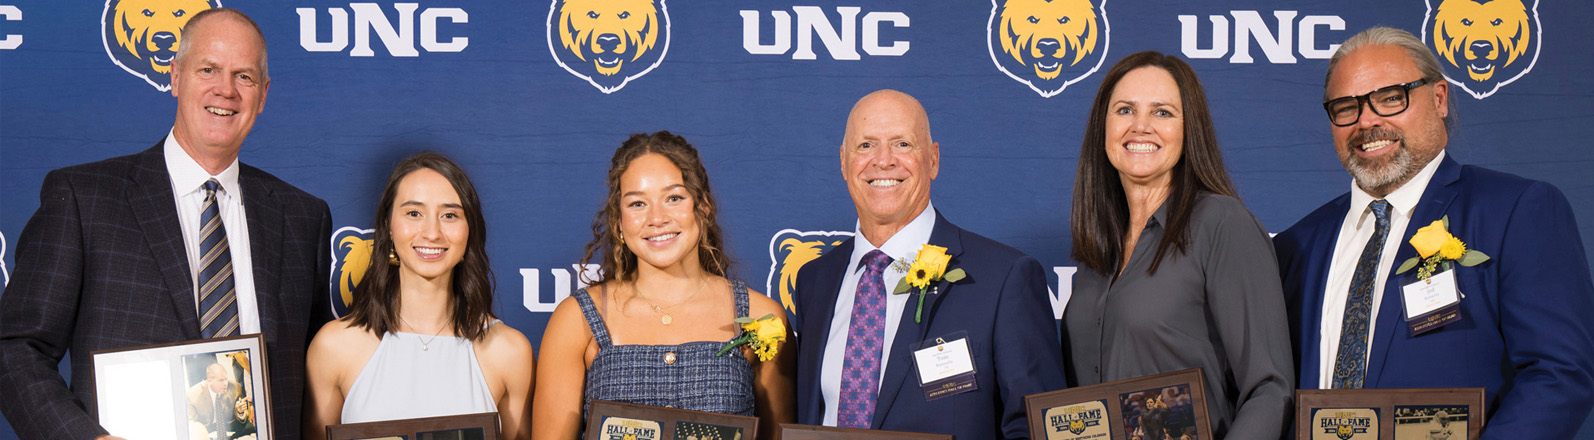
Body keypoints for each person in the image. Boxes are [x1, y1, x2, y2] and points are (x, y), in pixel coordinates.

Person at [0, 8, 331, 440]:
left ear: (263, 94)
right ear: (175, 77)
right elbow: (16, 349)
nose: (225, 90)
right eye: (208, 69)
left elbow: (320, 371)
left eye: (244, 76)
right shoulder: (85, 198)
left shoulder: (303, 216)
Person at [1274, 27, 1594, 440]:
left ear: (1439, 98)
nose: (1367, 120)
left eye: (1391, 97)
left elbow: (1561, 375)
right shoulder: (1296, 246)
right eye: (1345, 106)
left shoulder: (1517, 210)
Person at [790, 90, 1065, 439]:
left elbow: (1037, 430)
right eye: (866, 146)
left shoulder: (1005, 278)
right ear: (843, 162)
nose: (884, 160)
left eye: (903, 144)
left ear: (933, 159)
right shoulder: (816, 280)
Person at [1059, 51, 1294, 439]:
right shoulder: (1097, 248)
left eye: (1162, 113)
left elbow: (1270, 389)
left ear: (1190, 129)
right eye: (1125, 110)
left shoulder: (1222, 224)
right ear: (1103, 126)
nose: (1141, 127)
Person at [532, 131, 795, 440]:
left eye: (674, 198)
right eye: (637, 203)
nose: (657, 218)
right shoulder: (577, 318)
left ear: (703, 207)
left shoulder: (761, 316)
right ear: (618, 222)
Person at [304, 152, 534, 440]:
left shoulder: (509, 352)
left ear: (469, 229)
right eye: (414, 213)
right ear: (388, 225)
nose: (432, 232)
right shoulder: (334, 346)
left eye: (450, 215)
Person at [187, 363, 243, 436]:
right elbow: (193, 425)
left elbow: (242, 418)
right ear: (209, 381)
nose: (225, 383)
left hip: (228, 428)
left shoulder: (234, 387)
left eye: (226, 379)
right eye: (221, 380)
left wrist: (240, 412)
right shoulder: (194, 394)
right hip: (206, 430)